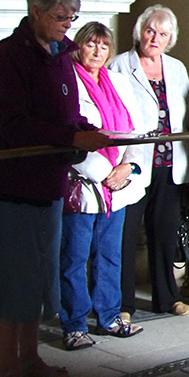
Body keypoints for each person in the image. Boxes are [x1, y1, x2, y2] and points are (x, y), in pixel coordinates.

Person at [0, 0, 112, 377]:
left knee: (36, 278)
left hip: (47, 185)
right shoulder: (9, 55)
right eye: (61, 17)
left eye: (73, 17)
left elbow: (65, 114)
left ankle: (31, 359)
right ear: (35, 12)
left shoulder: (61, 55)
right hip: (9, 187)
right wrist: (72, 139)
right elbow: (12, 122)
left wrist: (88, 132)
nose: (69, 25)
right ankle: (7, 372)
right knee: (9, 282)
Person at [60, 22, 151, 351]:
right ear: (78, 47)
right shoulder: (66, 81)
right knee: (74, 257)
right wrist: (103, 173)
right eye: (90, 45)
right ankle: (74, 323)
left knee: (110, 254)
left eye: (103, 46)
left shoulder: (119, 82)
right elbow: (66, 135)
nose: (97, 52)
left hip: (118, 185)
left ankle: (110, 316)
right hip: (84, 183)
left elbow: (137, 131)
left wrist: (127, 167)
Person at [108, 4, 189, 317]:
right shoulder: (119, 65)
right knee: (126, 236)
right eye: (150, 31)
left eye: (162, 33)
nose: (155, 37)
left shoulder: (176, 68)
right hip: (133, 164)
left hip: (170, 164)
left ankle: (167, 298)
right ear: (139, 32)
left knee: (164, 232)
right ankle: (123, 304)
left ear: (170, 38)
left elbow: (188, 115)